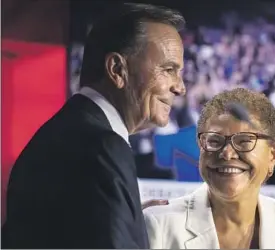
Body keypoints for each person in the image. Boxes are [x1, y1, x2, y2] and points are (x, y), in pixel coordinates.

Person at [2, 3, 185, 249]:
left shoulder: (67, 133)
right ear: (117, 70)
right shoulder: (103, 146)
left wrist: (129, 222)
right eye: (168, 70)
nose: (180, 87)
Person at [143, 88, 275, 249]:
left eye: (244, 141)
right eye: (214, 141)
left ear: (273, 155)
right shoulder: (159, 226)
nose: (227, 153)